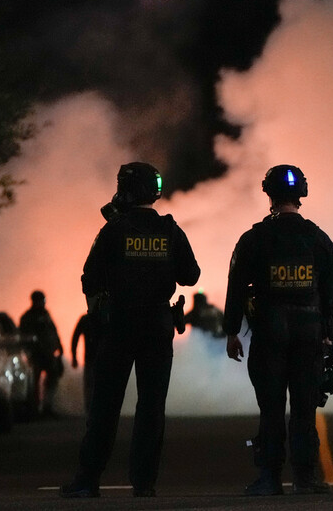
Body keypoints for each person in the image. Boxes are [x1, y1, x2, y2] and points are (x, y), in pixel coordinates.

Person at [61, 162, 200, 498]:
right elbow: (191, 275)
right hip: (157, 325)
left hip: (119, 325)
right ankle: (144, 483)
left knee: (105, 405)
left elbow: (90, 278)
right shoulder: (170, 230)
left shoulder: (113, 231)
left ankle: (88, 479)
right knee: (152, 407)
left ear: (124, 188)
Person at [223, 165, 333, 496]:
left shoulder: (254, 239)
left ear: (269, 195)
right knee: (305, 407)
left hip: (269, 332)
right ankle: (306, 478)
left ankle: (270, 478)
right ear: (301, 194)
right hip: (309, 332)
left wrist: (232, 331)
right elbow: (331, 290)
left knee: (271, 407)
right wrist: (328, 331)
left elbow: (235, 287)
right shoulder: (318, 239)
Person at [19, 290, 64, 417]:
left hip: (49, 354)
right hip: (36, 355)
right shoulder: (27, 317)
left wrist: (59, 347)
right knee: (34, 382)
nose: (42, 304)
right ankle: (34, 409)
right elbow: (25, 337)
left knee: (52, 380)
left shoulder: (46, 315)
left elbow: (54, 332)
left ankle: (47, 406)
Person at [71, 312, 102, 417]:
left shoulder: (85, 319)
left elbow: (75, 338)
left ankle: (91, 410)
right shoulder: (104, 317)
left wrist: (74, 357)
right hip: (99, 358)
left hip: (94, 358)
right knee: (94, 384)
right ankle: (95, 410)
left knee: (90, 385)